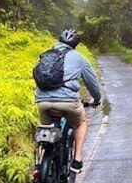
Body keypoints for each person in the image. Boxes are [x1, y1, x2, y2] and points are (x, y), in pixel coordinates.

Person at [34, 28, 102, 174]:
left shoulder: (46, 55)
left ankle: (40, 164)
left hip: (42, 101)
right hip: (68, 101)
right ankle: (77, 161)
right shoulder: (79, 58)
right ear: (75, 45)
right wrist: (96, 99)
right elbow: (93, 84)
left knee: (47, 130)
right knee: (81, 122)